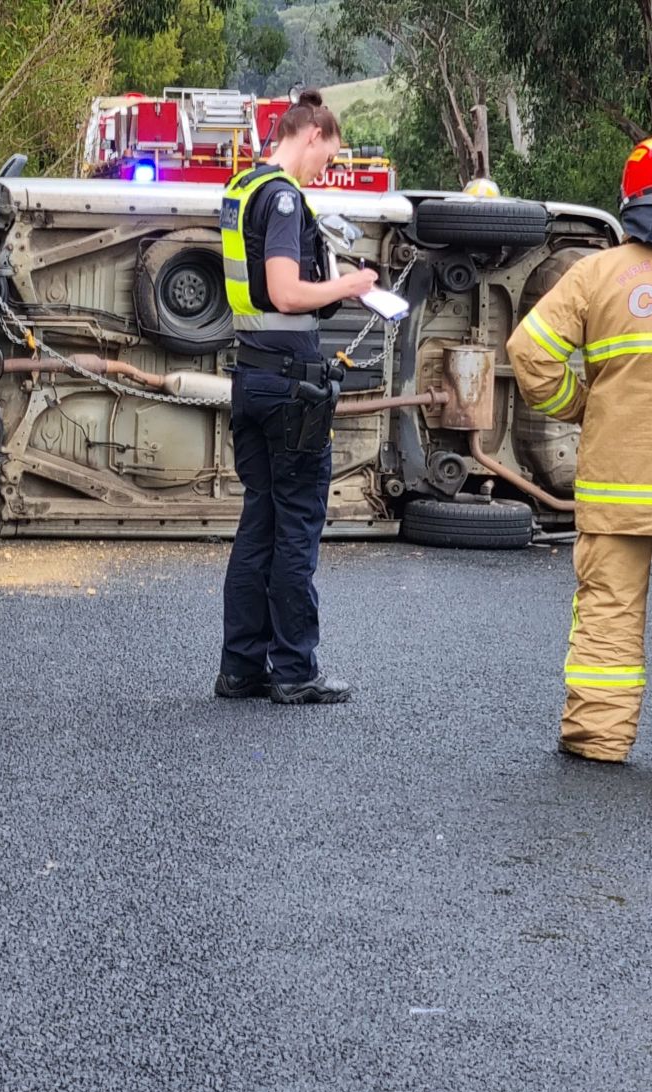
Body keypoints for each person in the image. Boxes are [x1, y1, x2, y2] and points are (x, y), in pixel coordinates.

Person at [507, 132, 652, 766]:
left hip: (615, 490)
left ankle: (597, 739)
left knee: (606, 617)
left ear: (629, 200)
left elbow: (528, 353)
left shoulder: (595, 274)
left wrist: (582, 405)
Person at [215, 88, 379, 705]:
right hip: (290, 385)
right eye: (327, 157)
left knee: (259, 523)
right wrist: (350, 284)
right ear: (311, 135)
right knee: (296, 526)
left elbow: (261, 292)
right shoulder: (284, 197)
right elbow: (284, 292)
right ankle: (293, 670)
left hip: (251, 374)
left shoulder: (241, 188)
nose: (324, 170)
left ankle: (241, 668)